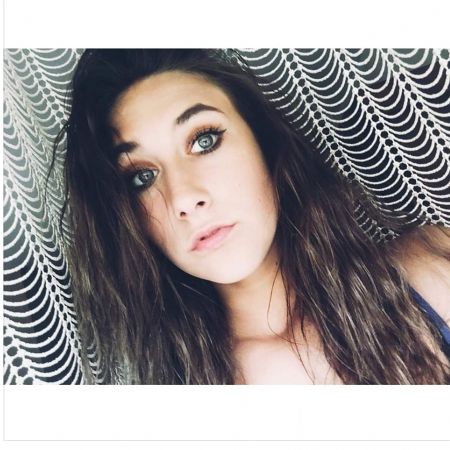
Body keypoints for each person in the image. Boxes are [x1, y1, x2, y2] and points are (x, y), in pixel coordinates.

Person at [55, 49, 450, 384]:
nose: (185, 198)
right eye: (142, 177)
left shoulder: (431, 271)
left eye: (204, 140)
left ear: (265, 142)